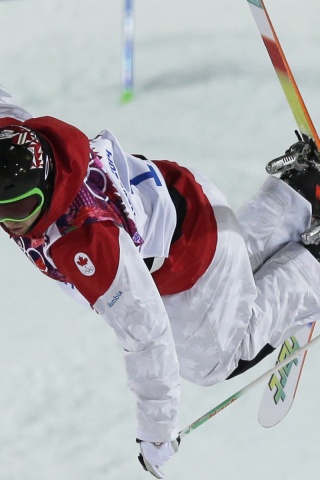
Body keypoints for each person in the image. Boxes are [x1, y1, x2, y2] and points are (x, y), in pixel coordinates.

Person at [1, 83, 320, 479]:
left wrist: (156, 432)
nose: (12, 220)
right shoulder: (18, 137)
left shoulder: (85, 239)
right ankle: (301, 193)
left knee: (213, 361)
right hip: (188, 201)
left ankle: (312, 268)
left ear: (45, 178)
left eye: (22, 204)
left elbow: (146, 334)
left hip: (192, 257)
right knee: (226, 286)